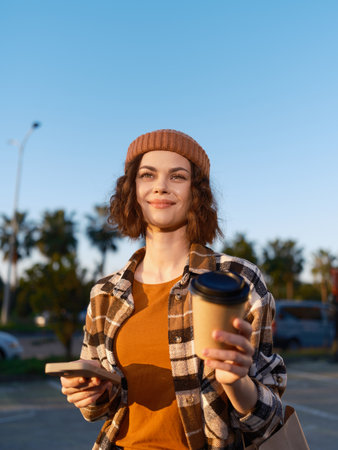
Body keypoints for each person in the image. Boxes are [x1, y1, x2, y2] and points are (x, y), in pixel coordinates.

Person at [61, 129, 287, 450]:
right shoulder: (104, 293)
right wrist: (89, 394)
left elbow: (271, 419)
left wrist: (236, 381)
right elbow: (96, 410)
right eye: (147, 175)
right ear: (132, 189)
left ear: (197, 193)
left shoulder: (239, 279)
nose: (160, 186)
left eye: (177, 176)